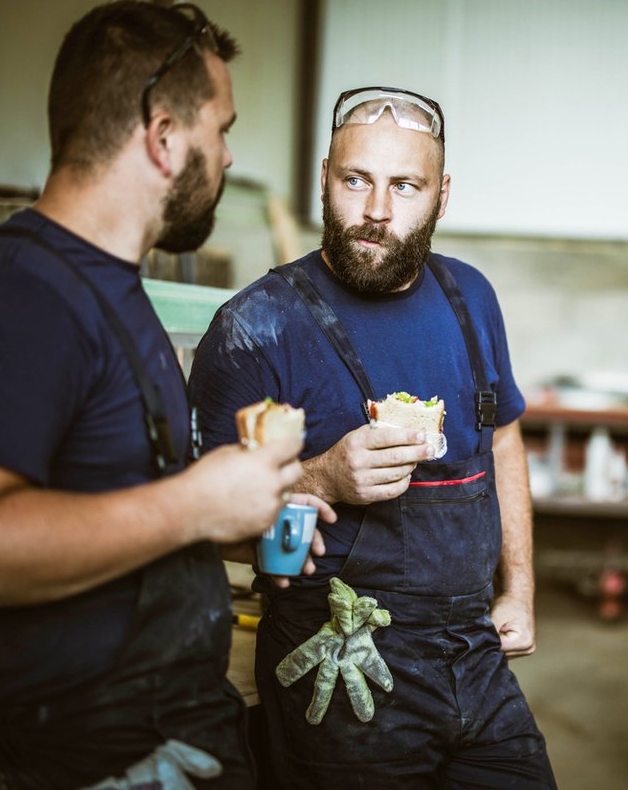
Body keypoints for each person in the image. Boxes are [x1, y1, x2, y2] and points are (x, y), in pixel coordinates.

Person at [0, 0, 332, 788]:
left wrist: (242, 507)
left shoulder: (109, 293)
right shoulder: (9, 292)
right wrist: (196, 503)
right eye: (221, 130)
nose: (229, 158)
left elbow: (107, 513)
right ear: (164, 137)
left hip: (161, 742)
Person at [187, 87, 557, 788]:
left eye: (405, 186)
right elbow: (196, 523)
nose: (376, 211)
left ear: (441, 195)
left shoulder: (471, 297)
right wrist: (319, 477)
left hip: (473, 655)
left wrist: (520, 589)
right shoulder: (256, 327)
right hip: (341, 663)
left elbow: (502, 442)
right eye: (355, 180)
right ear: (325, 176)